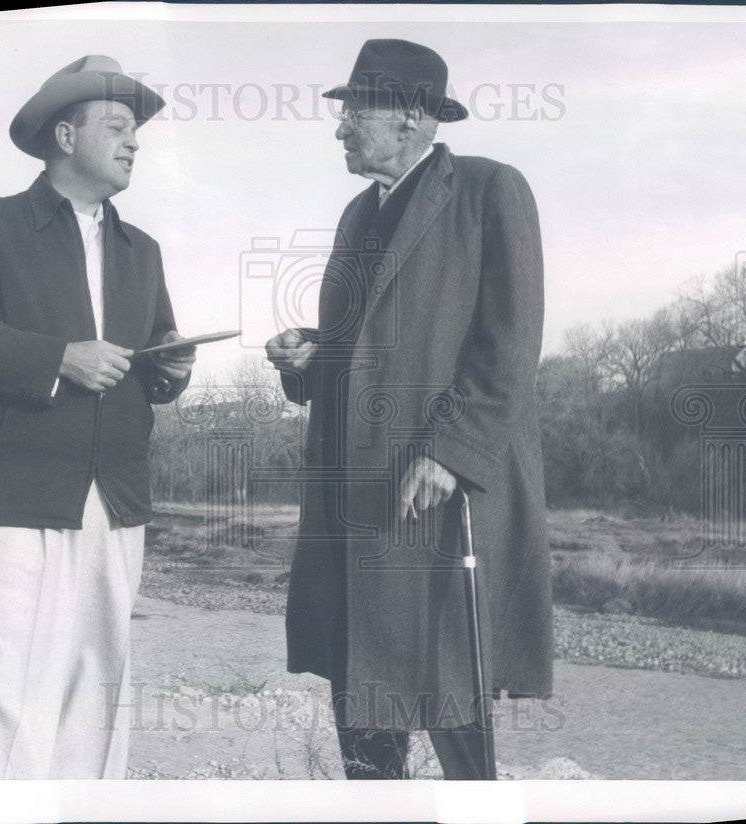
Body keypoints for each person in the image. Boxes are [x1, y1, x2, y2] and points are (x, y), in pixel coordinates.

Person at [266, 39, 553, 780]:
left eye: (354, 109)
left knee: (453, 688)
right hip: (354, 496)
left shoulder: (491, 190)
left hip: (439, 492)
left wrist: (450, 450)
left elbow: (511, 343)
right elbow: (356, 350)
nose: (340, 127)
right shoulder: (358, 214)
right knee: (360, 691)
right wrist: (311, 357)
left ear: (413, 116)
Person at [0, 55, 195, 779]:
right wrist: (59, 357)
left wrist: (172, 368)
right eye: (117, 127)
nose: (134, 141)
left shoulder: (145, 252)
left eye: (135, 131)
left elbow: (151, 357)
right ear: (67, 135)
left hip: (117, 496)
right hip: (20, 494)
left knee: (97, 693)